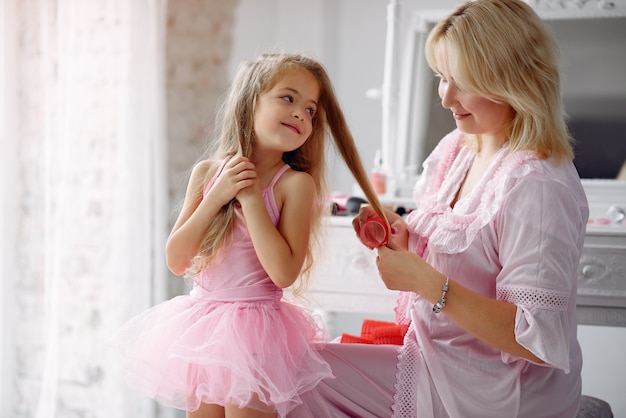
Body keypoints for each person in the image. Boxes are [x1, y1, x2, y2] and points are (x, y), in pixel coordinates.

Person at [288, 0, 589, 417]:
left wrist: (430, 284)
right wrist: (403, 234)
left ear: (514, 80)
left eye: (462, 82)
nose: (446, 98)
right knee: (281, 371)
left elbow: (535, 340)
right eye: (441, 77)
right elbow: (463, 250)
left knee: (292, 382)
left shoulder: (537, 186)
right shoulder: (459, 149)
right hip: (436, 356)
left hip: (496, 392)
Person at [110, 52, 387, 418]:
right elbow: (177, 260)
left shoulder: (294, 185)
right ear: (250, 100)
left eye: (310, 110)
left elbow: (284, 273)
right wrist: (216, 197)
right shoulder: (207, 173)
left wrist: (252, 199)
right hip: (203, 331)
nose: (301, 115)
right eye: (288, 98)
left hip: (256, 334)